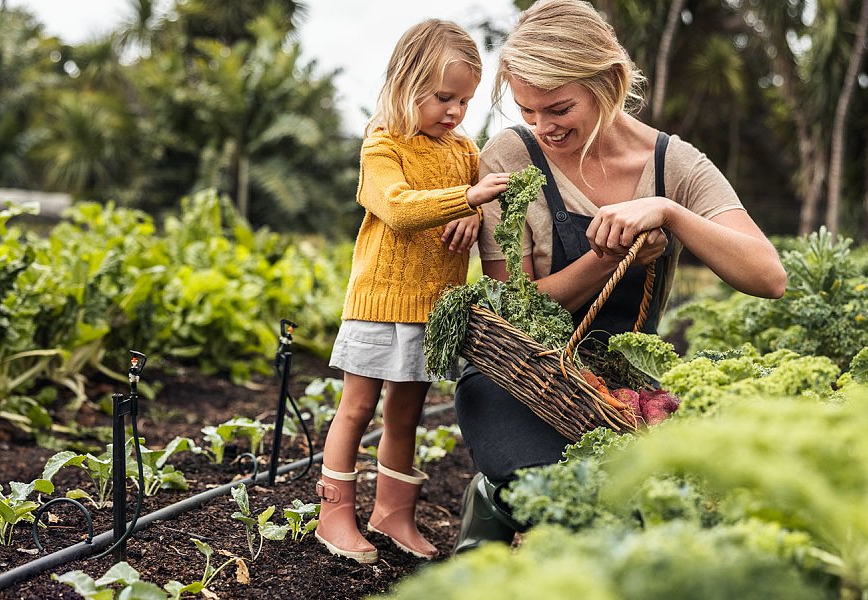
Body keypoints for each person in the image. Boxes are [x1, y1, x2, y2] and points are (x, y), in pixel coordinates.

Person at [453, 0, 787, 552]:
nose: (543, 127)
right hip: (520, 377)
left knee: (654, 508)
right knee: (561, 494)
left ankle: (503, 508)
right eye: (528, 110)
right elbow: (512, 312)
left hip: (622, 386)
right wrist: (607, 258)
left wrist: (670, 212)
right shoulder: (510, 157)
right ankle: (495, 501)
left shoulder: (672, 165)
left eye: (558, 108)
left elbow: (767, 275)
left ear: (607, 81)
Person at [318, 18, 512, 564]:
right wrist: (467, 201)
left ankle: (392, 515)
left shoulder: (463, 150)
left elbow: (472, 208)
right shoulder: (383, 145)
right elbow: (400, 209)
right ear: (406, 83)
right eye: (444, 97)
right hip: (379, 303)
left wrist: (473, 217)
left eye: (465, 101)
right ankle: (334, 518)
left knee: (407, 415)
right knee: (356, 409)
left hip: (434, 309)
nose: (454, 111)